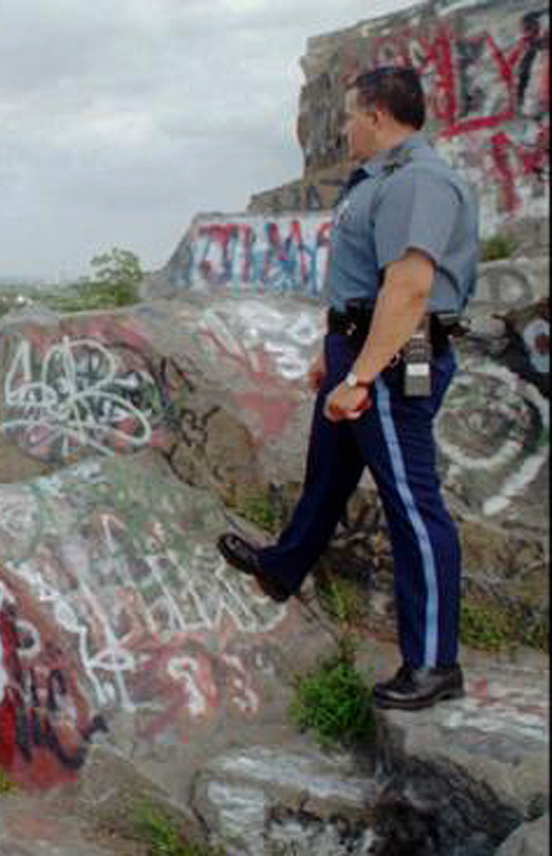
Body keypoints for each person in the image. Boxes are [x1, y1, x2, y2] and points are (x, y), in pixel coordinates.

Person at [217, 66, 478, 711]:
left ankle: (435, 663)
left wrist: (361, 373)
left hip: (390, 359)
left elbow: (410, 286)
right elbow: (359, 285)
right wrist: (330, 356)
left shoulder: (419, 180)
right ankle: (284, 566)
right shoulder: (381, 182)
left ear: (379, 116)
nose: (345, 129)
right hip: (358, 346)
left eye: (351, 116)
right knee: (329, 471)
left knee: (414, 507)